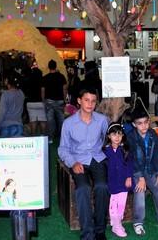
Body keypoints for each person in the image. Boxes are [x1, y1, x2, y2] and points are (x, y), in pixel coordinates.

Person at [58, 88, 109, 240]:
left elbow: (108, 139)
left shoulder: (102, 120)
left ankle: (100, 231)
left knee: (102, 187)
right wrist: (72, 162)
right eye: (86, 100)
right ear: (79, 101)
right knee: (83, 188)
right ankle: (87, 233)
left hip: (97, 159)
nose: (90, 104)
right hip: (78, 160)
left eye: (93, 101)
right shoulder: (68, 123)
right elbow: (62, 148)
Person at [126, 103, 158, 236]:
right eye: (139, 123)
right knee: (140, 191)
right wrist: (140, 178)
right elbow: (132, 159)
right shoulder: (131, 137)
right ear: (134, 124)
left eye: (145, 122)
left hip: (150, 169)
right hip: (136, 171)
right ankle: (138, 222)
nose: (143, 126)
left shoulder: (153, 133)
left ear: (149, 121)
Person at [103, 123, 133, 238]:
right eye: (114, 134)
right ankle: (116, 225)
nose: (117, 137)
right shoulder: (105, 151)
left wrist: (129, 177)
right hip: (112, 182)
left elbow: (130, 164)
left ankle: (117, 222)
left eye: (119, 134)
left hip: (124, 182)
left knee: (121, 203)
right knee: (113, 204)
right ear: (109, 136)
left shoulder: (124, 149)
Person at [42, 59, 67, 143]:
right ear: (55, 66)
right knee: (61, 121)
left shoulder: (45, 77)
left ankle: (50, 138)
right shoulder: (61, 76)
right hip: (60, 101)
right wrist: (64, 99)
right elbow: (64, 88)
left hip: (49, 101)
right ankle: (63, 139)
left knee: (50, 121)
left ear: (49, 67)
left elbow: (43, 90)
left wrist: (43, 100)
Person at [23, 60, 46, 136]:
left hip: (30, 103)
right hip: (39, 102)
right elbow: (42, 90)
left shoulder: (28, 80)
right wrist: (43, 101)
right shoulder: (41, 80)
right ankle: (43, 136)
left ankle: (33, 137)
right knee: (42, 119)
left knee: (33, 120)